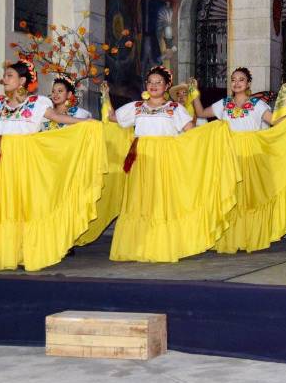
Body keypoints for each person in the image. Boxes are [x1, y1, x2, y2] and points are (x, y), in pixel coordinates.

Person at [0, 60, 105, 271]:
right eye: (5, 76)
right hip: (2, 160)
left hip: (27, 159)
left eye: (9, 75)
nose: (4, 79)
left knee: (25, 203)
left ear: (22, 80)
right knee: (3, 203)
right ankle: (3, 253)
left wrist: (85, 123)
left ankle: (26, 251)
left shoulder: (37, 103)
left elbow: (57, 117)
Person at [102, 65, 240, 262]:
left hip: (165, 160)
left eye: (159, 82)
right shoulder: (137, 107)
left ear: (167, 86)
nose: (154, 85)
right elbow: (113, 118)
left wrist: (214, 133)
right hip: (141, 160)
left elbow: (191, 131)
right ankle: (138, 247)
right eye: (150, 82)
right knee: (140, 200)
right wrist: (106, 97)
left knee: (161, 200)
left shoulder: (175, 109)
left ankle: (162, 247)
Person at [189, 68, 286, 253]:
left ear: (248, 83)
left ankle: (250, 238)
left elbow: (275, 122)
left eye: (241, 79)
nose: (237, 83)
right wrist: (194, 93)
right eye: (233, 80)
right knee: (231, 195)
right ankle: (230, 238)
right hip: (229, 154)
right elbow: (201, 113)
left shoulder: (257, 104)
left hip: (252, 154)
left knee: (249, 197)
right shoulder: (224, 104)